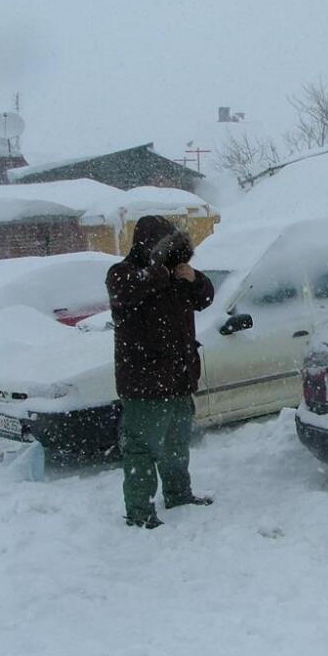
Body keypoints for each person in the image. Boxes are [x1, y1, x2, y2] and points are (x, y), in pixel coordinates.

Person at [106, 215, 215, 529]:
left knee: (176, 444)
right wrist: (163, 269)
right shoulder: (122, 274)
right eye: (164, 248)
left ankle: (179, 494)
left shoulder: (176, 275)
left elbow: (205, 297)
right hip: (145, 383)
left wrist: (193, 277)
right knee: (142, 448)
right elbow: (135, 287)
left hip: (179, 378)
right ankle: (139, 511)